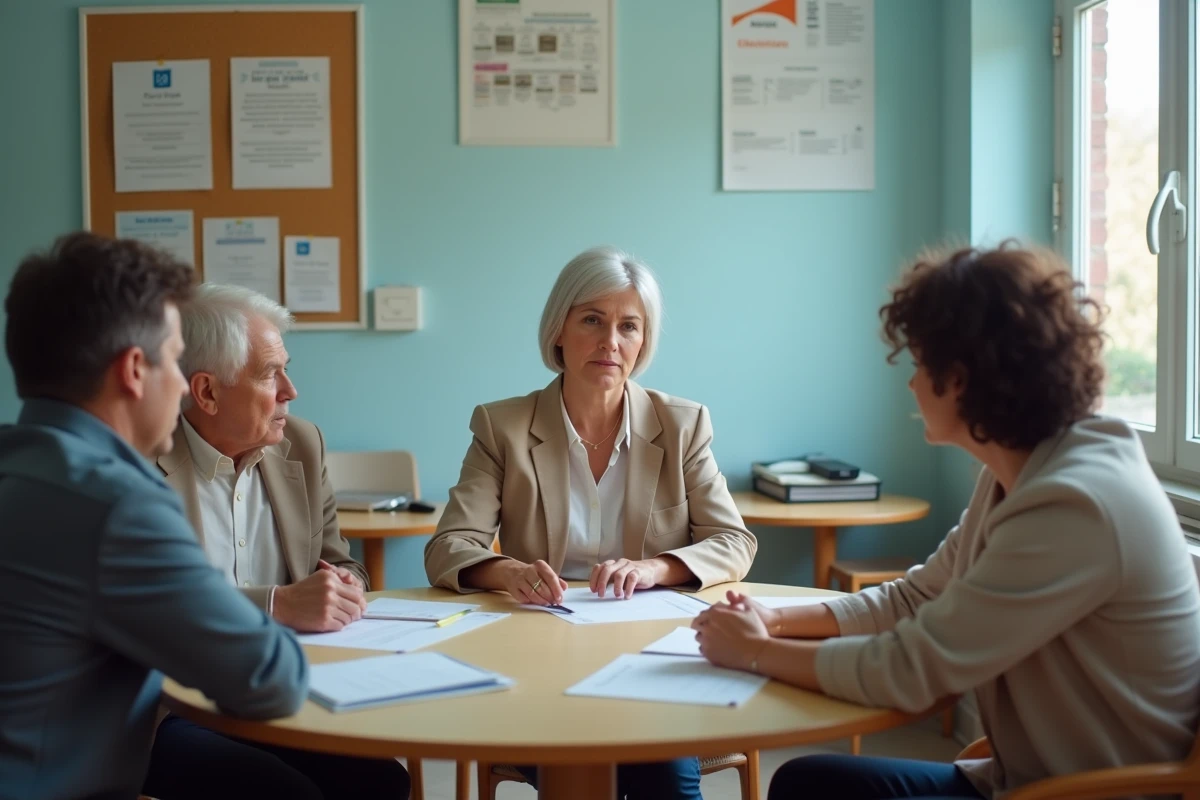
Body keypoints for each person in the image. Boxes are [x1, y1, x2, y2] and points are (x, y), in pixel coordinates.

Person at [692, 243, 1200, 800]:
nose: (911, 384)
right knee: (809, 782)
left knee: (808, 788)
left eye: (918, 363)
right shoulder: (1021, 470)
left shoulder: (1075, 503)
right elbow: (915, 599)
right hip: (1020, 778)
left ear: (958, 379)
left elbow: (914, 669)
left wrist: (755, 653)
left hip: (1089, 793)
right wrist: (776, 619)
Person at [425, 245, 757, 800]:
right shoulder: (502, 425)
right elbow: (448, 547)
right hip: (541, 657)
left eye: (629, 326)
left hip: (650, 654)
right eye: (592, 321)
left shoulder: (682, 424)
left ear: (643, 342)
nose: (610, 343)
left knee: (662, 769)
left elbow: (733, 541)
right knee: (580, 767)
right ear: (558, 330)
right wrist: (508, 573)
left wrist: (656, 567)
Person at [0, 233, 308, 800]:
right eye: (173, 359)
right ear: (134, 371)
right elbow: (271, 680)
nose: (183, 389)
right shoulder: (114, 504)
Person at [143, 283, 410, 800]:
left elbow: (339, 562)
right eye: (270, 373)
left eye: (286, 368)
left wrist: (343, 586)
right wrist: (277, 604)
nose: (291, 389)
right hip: (169, 706)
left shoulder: (302, 444)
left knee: (382, 783)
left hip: (285, 690)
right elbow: (150, 602)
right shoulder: (143, 460)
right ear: (206, 392)